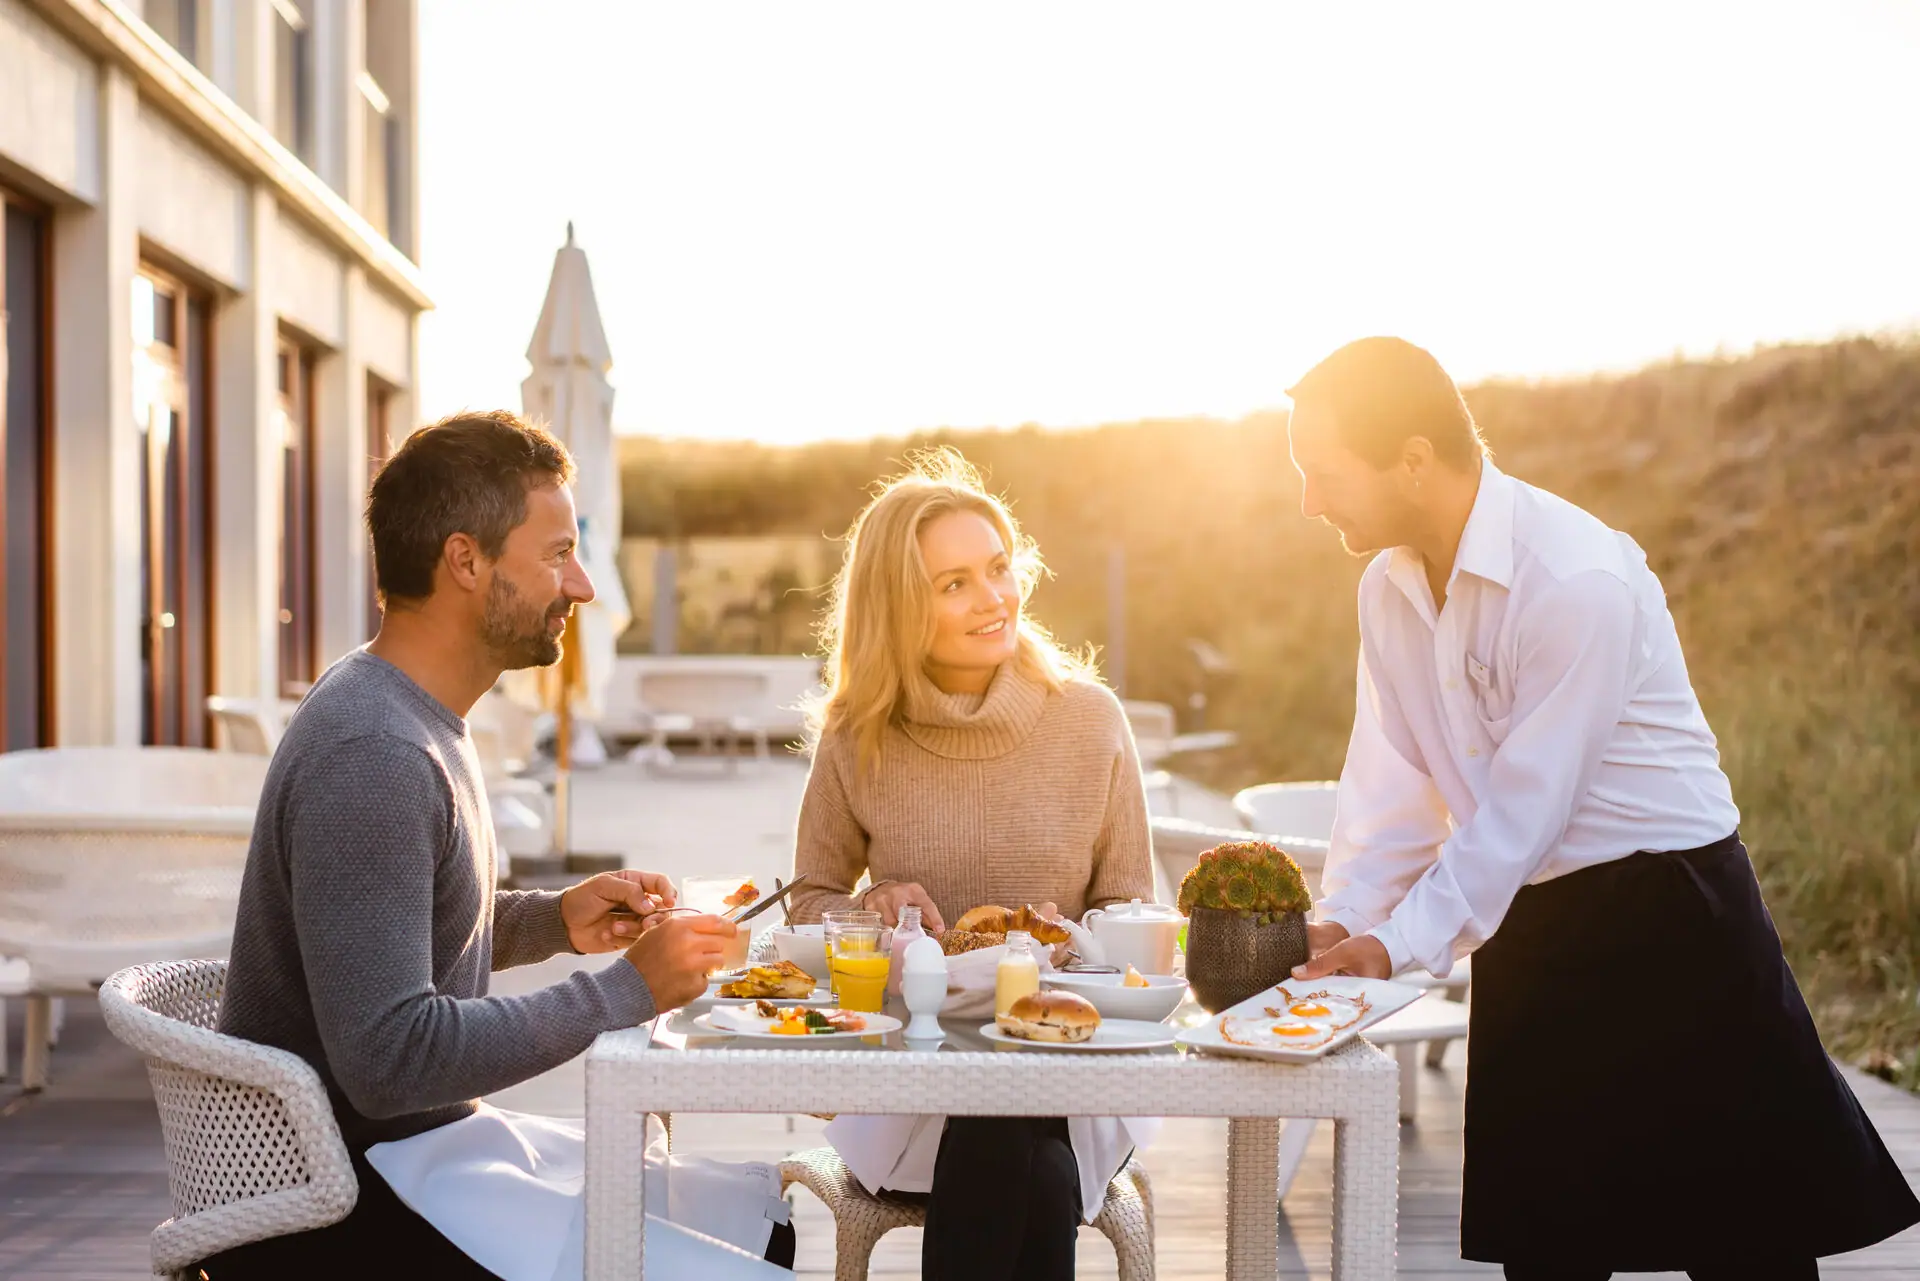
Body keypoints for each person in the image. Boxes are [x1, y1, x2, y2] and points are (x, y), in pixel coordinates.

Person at [1284, 338, 1920, 1281]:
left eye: (1323, 474)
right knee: (1545, 1247)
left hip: (1675, 915)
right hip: (1534, 920)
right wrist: (1348, 914)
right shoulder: (1387, 587)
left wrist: (1393, 944)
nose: (1310, 502)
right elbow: (1393, 782)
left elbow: (1522, 813)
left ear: (1414, 459)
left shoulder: (1575, 577)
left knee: (1746, 1243)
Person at [208, 411, 794, 1279]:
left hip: (405, 1157)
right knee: (728, 1259)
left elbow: (395, 924)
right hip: (333, 1208)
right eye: (558, 553)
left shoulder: (407, 711)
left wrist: (553, 919)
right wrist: (623, 993)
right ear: (466, 560)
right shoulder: (375, 751)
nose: (584, 585)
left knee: (754, 1221)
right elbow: (391, 1056)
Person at [787, 447, 1155, 1281]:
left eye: (997, 568)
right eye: (954, 583)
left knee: (1011, 1119)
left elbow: (1132, 912)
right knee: (1027, 1155)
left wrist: (1067, 946)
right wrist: (870, 902)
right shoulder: (857, 735)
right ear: (898, 605)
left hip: (1068, 1062)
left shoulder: (1090, 721)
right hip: (908, 1077)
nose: (994, 598)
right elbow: (809, 898)